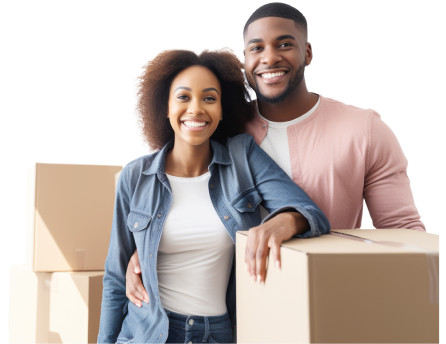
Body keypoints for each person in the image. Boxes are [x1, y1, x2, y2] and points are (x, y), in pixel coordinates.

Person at [125, 0, 426, 328]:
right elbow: (185, 202)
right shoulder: (223, 133)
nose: (269, 57)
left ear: (308, 53)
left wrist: (416, 313)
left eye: (285, 44)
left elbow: (403, 234)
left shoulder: (365, 129)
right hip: (237, 319)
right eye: (257, 48)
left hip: (333, 310)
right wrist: (154, 250)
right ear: (245, 61)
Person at [97, 47, 330, 344]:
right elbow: (116, 278)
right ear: (165, 107)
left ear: (222, 110)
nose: (196, 109)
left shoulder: (241, 157)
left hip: (216, 333)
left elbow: (308, 211)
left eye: (209, 98)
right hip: (146, 333)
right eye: (183, 97)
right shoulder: (135, 175)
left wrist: (284, 221)